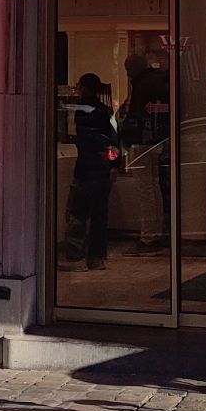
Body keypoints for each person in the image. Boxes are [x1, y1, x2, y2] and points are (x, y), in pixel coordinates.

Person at [67, 74, 122, 270]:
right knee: (99, 214)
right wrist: (113, 164)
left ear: (84, 88)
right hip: (102, 169)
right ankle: (96, 257)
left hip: (85, 168)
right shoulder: (106, 111)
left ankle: (75, 256)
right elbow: (115, 140)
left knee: (78, 213)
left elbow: (84, 138)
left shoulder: (82, 110)